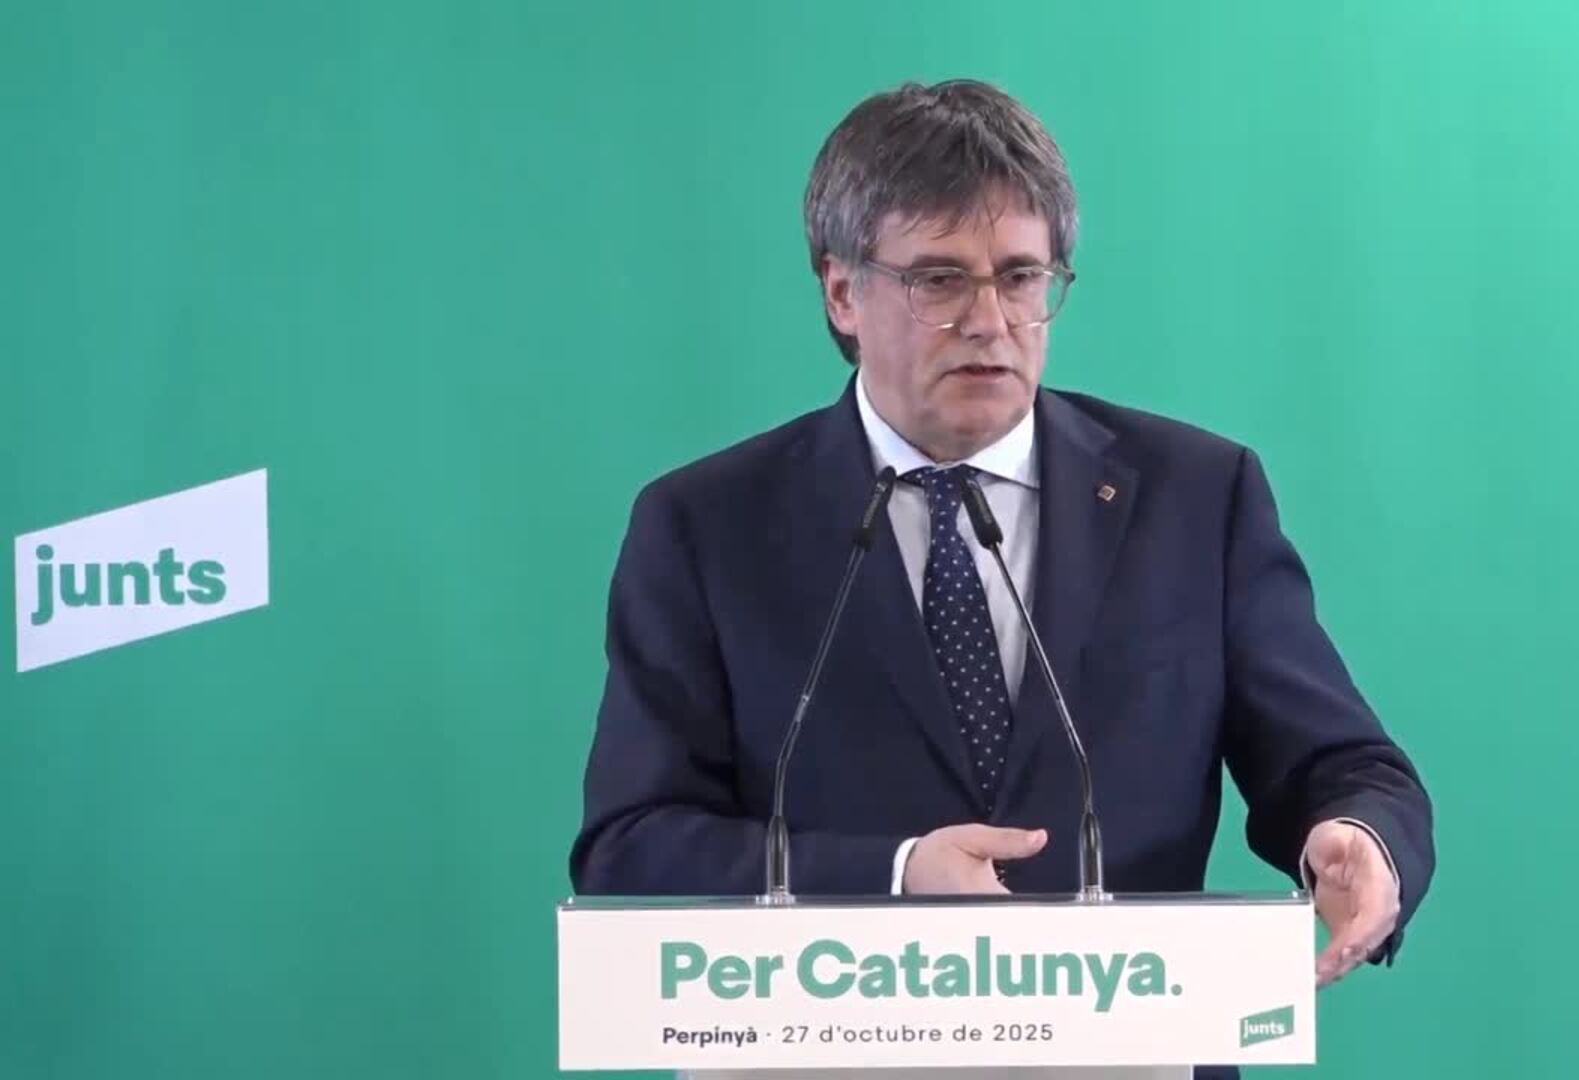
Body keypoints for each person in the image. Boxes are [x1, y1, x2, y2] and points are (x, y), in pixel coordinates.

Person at [569, 78, 1433, 1010]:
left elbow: (1343, 765)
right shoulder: (708, 526)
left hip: (1132, 1046)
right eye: (940, 280)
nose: (990, 321)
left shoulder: (1195, 497)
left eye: (1021, 277)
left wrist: (1358, 835)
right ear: (843, 292)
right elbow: (632, 844)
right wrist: (894, 872)